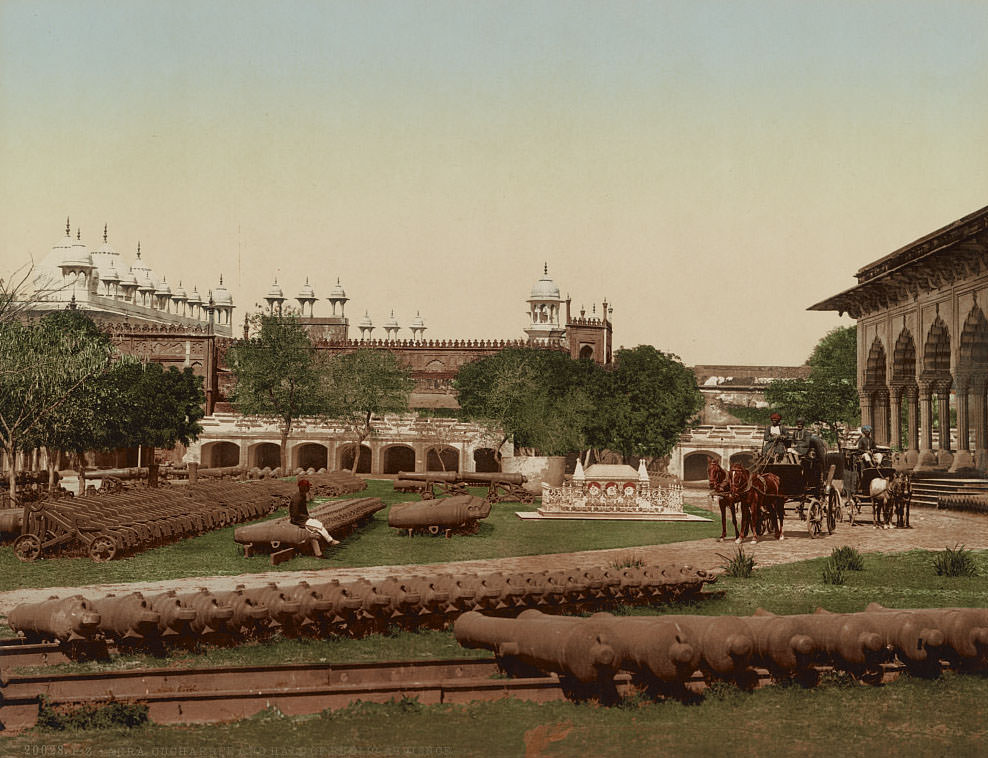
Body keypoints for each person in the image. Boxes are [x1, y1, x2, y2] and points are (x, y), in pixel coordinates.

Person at [290, 479, 340, 548]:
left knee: (317, 524)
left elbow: (303, 511)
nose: (309, 488)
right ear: (304, 488)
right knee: (318, 526)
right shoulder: (297, 499)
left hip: (302, 519)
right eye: (308, 487)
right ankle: (330, 541)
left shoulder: (301, 495)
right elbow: (295, 514)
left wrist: (308, 517)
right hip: (299, 521)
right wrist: (306, 518)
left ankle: (327, 542)